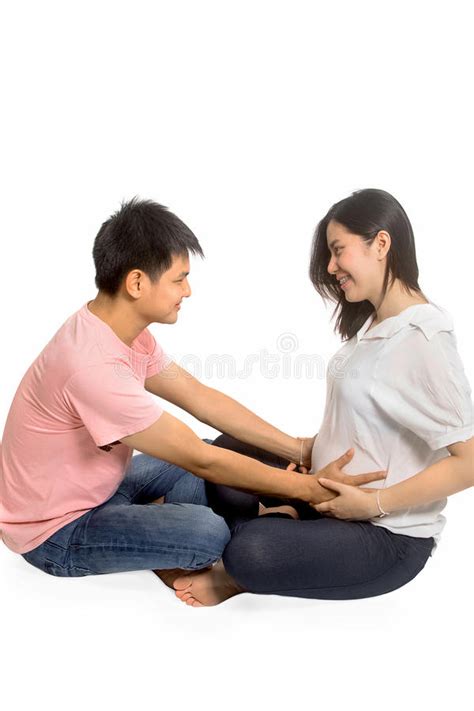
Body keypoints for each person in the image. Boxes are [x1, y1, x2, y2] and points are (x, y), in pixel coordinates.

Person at [0, 198, 383, 583]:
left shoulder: (118, 331)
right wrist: (310, 490)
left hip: (102, 486)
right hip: (55, 531)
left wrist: (301, 448)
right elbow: (201, 461)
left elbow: (200, 397)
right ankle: (177, 529)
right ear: (136, 282)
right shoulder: (92, 367)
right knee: (207, 532)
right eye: (179, 278)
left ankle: (154, 523)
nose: (188, 290)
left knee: (208, 448)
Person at [172, 188, 474, 607]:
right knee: (227, 455)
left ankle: (248, 561)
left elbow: (470, 460)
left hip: (385, 534)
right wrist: (309, 464)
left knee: (249, 551)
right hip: (326, 489)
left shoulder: (422, 339)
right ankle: (292, 518)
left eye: (338, 251)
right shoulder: (374, 327)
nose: (331, 267)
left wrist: (373, 503)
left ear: (381, 244)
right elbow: (366, 420)